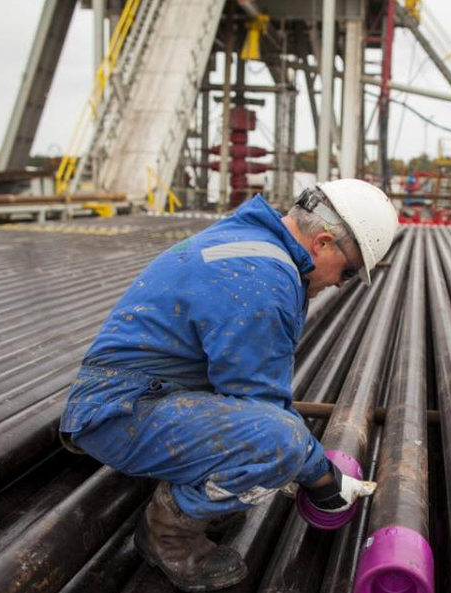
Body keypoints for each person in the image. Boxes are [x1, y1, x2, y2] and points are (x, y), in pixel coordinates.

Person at [59, 179, 398, 591]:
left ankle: (198, 493)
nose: (340, 284)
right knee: (280, 444)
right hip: (122, 412)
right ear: (323, 242)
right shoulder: (261, 278)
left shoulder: (252, 241)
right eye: (347, 271)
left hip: (139, 396)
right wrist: (323, 479)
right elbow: (263, 410)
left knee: (271, 443)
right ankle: (168, 537)